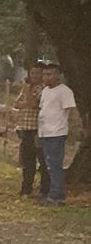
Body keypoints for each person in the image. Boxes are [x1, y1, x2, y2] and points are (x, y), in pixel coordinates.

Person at [37, 63, 79, 206]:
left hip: (56, 133)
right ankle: (50, 192)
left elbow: (72, 112)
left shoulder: (64, 91)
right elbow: (43, 110)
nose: (45, 77)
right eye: (44, 74)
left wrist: (75, 130)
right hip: (45, 132)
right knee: (47, 165)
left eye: (49, 74)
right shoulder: (45, 91)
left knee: (55, 165)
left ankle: (57, 196)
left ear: (57, 75)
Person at [11, 63, 49, 197]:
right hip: (25, 128)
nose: (34, 76)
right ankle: (26, 189)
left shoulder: (43, 89)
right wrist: (27, 98)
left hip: (38, 130)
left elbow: (34, 104)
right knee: (27, 161)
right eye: (32, 73)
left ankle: (45, 190)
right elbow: (16, 104)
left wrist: (27, 93)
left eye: (38, 73)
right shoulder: (28, 88)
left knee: (43, 162)